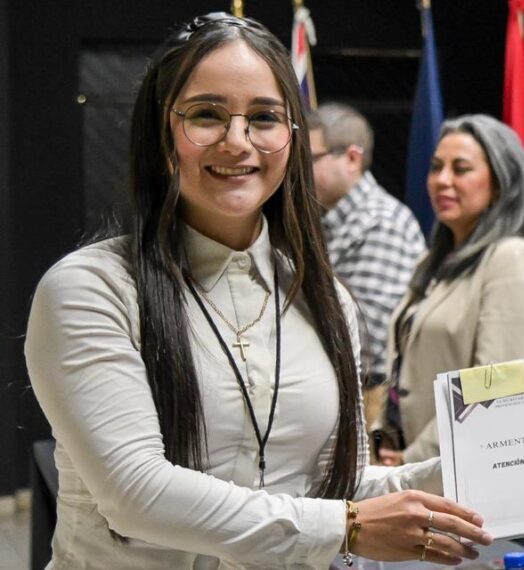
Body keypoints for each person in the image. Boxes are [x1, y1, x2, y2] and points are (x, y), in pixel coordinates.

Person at [24, 13, 492, 568]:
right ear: (161, 133)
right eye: (206, 114)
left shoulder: (326, 302)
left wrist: (511, 463)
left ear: (292, 139)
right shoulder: (92, 289)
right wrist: (346, 526)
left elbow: (335, 487)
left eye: (265, 117)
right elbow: (135, 493)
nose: (237, 141)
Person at [376, 114, 524, 467]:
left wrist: (414, 459)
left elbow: (497, 385)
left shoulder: (512, 258)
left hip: (467, 473)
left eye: (461, 169)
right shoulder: (431, 262)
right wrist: (382, 438)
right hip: (411, 469)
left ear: (500, 183)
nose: (442, 180)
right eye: (436, 167)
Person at [309, 103, 426, 441]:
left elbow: (364, 338)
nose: (297, 170)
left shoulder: (380, 223)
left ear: (352, 158)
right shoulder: (326, 221)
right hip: (337, 400)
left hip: (368, 407)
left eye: (311, 159)